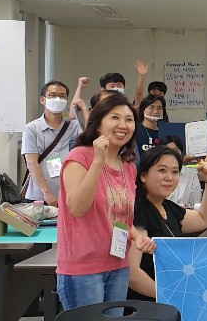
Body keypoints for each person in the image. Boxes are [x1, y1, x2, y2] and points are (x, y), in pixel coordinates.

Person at [56, 93, 155, 309]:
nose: (123, 125)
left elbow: (122, 219)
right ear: (98, 125)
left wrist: (137, 237)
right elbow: (77, 208)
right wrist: (98, 161)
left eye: (129, 120)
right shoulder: (80, 156)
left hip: (119, 265)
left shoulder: (128, 166)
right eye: (115, 118)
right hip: (84, 269)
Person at [127, 146, 207, 300]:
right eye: (162, 170)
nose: (169, 177)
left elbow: (205, 219)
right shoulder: (137, 210)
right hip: (149, 304)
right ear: (143, 176)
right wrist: (169, 296)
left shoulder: (167, 207)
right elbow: (133, 274)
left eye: (175, 172)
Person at [23, 80, 83, 206]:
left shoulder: (74, 126)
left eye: (62, 96)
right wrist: (47, 193)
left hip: (68, 194)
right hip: (40, 196)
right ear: (43, 100)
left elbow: (91, 132)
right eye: (52, 95)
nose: (58, 99)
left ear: (67, 102)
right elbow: (32, 163)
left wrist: (83, 108)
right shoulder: (32, 128)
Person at [158, 135, 204, 207]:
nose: (172, 155)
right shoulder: (156, 172)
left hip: (186, 213)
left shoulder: (191, 174)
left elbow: (196, 203)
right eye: (167, 151)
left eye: (176, 151)